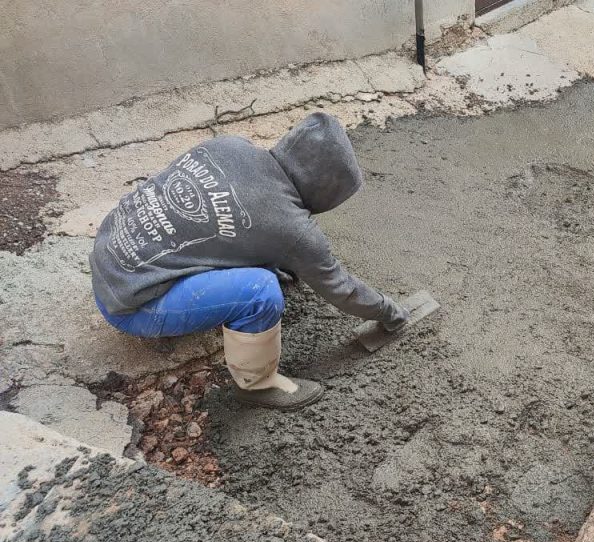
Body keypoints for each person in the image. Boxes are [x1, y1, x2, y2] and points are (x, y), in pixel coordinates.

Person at [89, 112, 409, 411]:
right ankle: (257, 384)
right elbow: (342, 289)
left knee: (229, 238)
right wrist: (388, 311)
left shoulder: (229, 145)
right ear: (326, 193)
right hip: (133, 306)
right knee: (261, 290)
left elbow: (225, 223)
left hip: (110, 255)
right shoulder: (293, 228)